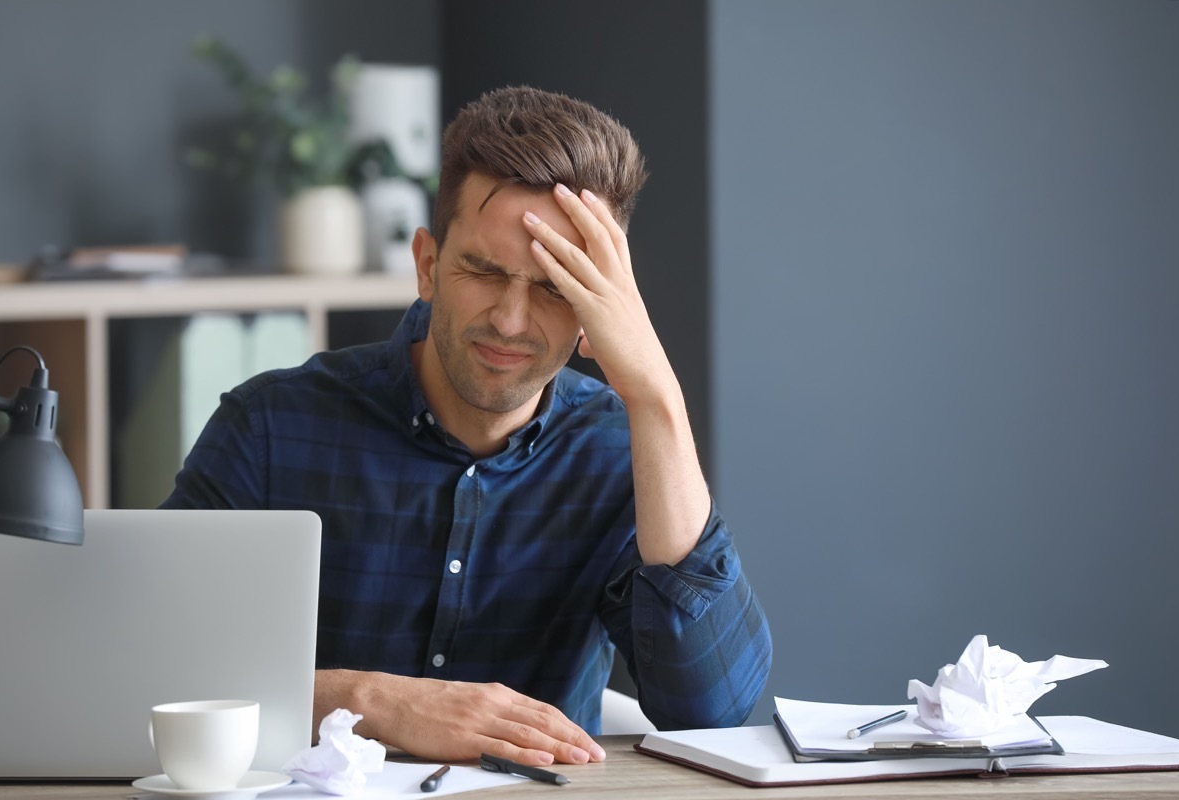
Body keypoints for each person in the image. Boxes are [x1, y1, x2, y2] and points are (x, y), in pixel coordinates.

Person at [162, 86, 772, 767]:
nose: (511, 321)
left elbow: (709, 710)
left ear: (603, 302)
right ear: (427, 264)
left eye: (553, 286)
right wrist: (374, 703)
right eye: (483, 272)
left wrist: (656, 394)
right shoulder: (269, 428)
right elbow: (153, 667)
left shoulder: (620, 452)